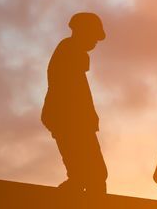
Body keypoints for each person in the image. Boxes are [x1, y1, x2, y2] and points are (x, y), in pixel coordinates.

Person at [41, 12, 107, 194]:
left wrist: (89, 116)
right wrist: (87, 117)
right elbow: (74, 90)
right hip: (68, 117)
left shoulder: (72, 51)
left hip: (71, 117)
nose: (95, 42)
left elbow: (80, 88)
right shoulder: (70, 50)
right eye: (93, 36)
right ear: (82, 31)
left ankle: (81, 201)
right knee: (93, 174)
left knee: (90, 174)